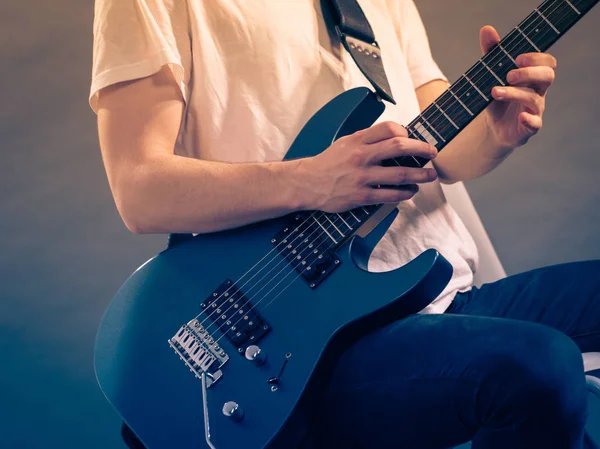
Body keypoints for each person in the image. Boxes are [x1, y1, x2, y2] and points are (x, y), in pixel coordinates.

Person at [90, 0, 600, 448]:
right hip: (301, 340)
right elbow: (139, 188)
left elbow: (441, 152)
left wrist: (495, 131)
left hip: (438, 292)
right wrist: (312, 181)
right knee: (540, 364)